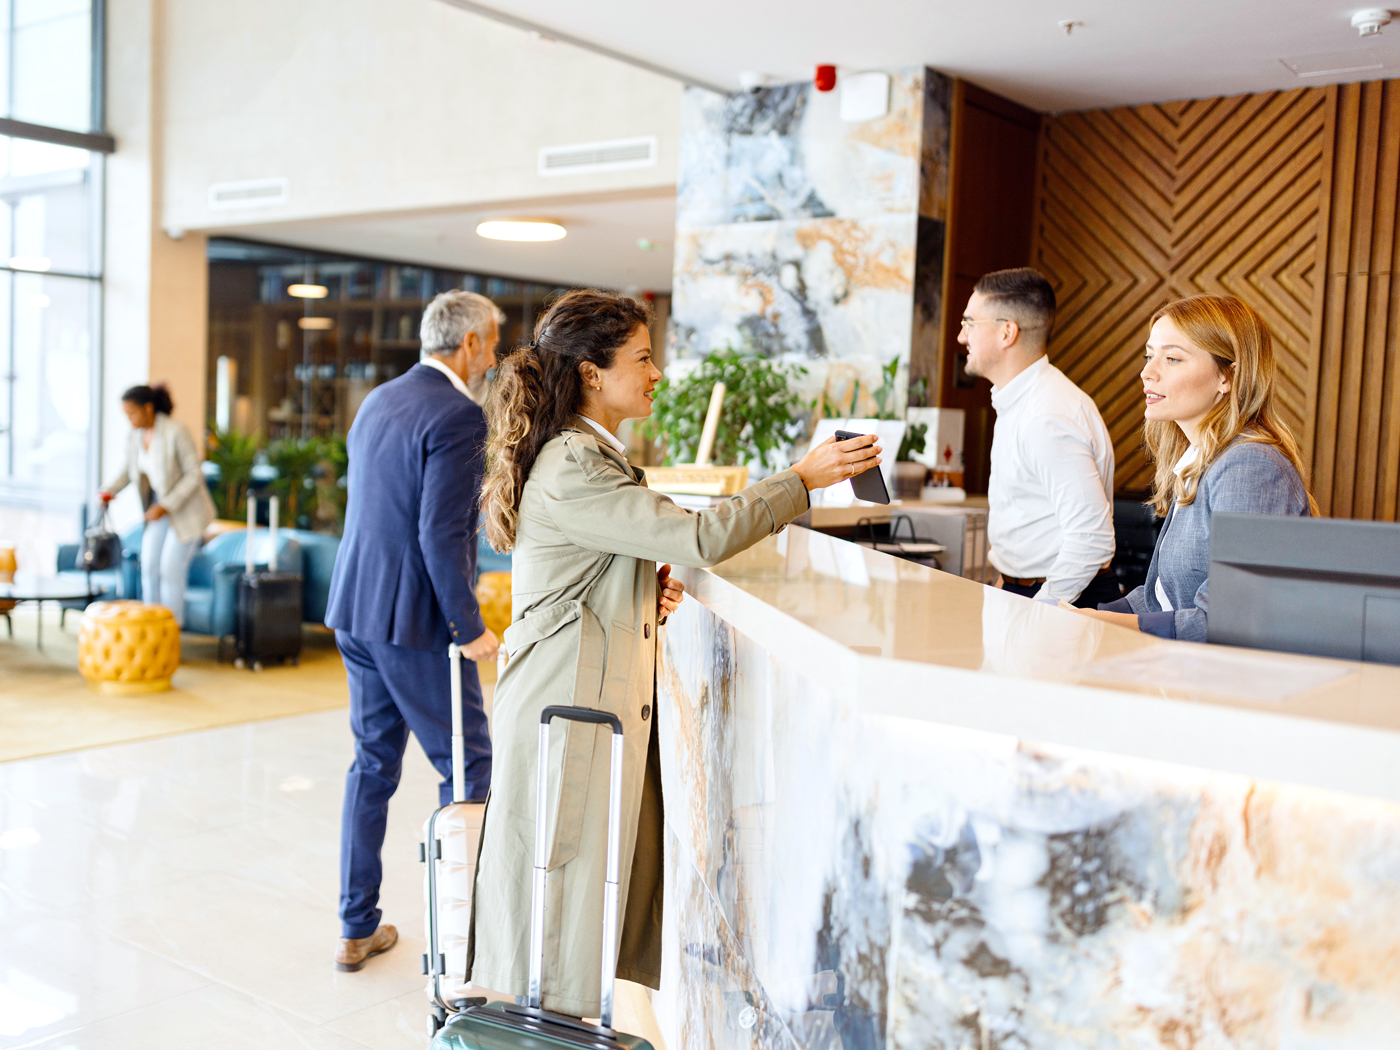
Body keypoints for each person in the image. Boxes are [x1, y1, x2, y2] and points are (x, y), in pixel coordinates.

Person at [467, 289, 879, 1017]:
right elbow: (698, 539)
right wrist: (802, 480)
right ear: (592, 372)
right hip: (564, 717)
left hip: (577, 707)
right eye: (644, 357)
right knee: (557, 902)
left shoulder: (590, 456)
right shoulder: (575, 464)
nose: (657, 373)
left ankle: (560, 1027)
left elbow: (597, 565)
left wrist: (633, 591)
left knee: (574, 903)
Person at [324, 289, 503, 972]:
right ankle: (465, 941)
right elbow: (435, 531)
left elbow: (382, 508)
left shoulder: (379, 400)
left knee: (372, 766)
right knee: (468, 768)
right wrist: (469, 626)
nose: (494, 353)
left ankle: (355, 926)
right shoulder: (459, 414)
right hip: (417, 622)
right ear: (468, 345)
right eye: (492, 340)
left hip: (356, 610)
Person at [1079, 295, 1316, 641]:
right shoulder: (1202, 459)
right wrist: (1085, 616)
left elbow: (1225, 621)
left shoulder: (1249, 467)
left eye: (1172, 358)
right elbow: (1159, 600)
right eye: (1150, 355)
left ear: (1227, 377)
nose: (1148, 372)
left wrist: (1101, 624)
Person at [959, 267, 1119, 607]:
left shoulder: (1048, 415)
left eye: (970, 323)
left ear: (1007, 332)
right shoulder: (1019, 400)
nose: (962, 337)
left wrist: (1040, 611)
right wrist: (1007, 579)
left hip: (1063, 598)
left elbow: (1091, 538)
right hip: (1023, 590)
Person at [99, 384, 216, 626]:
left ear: (148, 409)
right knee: (150, 566)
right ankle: (153, 626)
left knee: (170, 569)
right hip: (157, 512)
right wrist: (108, 490)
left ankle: (172, 630)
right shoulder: (135, 436)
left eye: (132, 414)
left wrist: (166, 505)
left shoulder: (175, 431)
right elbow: (128, 471)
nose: (129, 420)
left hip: (186, 512)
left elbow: (195, 474)